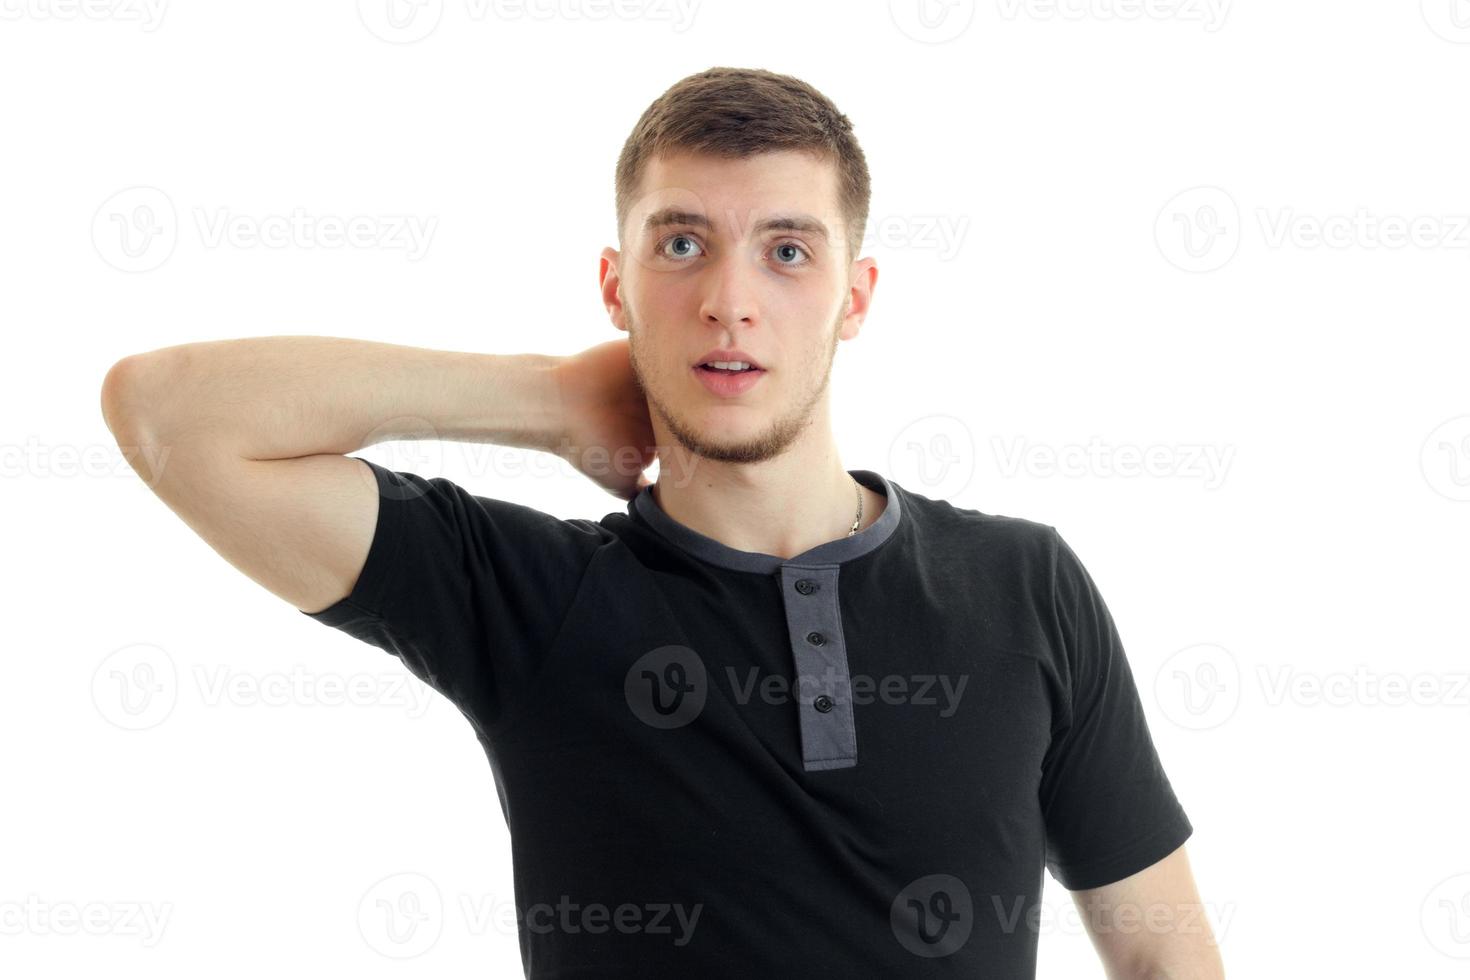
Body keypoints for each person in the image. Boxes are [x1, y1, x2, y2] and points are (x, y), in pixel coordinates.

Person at [100, 66, 1224, 979]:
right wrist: (544, 396)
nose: (730, 298)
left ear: (857, 296)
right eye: (681, 245)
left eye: (788, 250)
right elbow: (167, 416)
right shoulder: (529, 598)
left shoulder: (1022, 582)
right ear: (616, 284)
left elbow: (1164, 957)